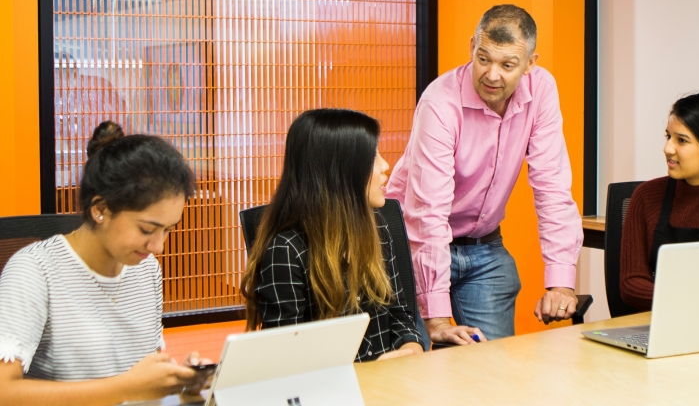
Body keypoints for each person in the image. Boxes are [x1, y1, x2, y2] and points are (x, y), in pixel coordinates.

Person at [386, 4, 582, 347]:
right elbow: (427, 214)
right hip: (413, 243)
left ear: (530, 64)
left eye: (508, 65)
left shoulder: (542, 90)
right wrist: (437, 319)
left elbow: (552, 186)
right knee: (418, 370)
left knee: (494, 368)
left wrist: (561, 281)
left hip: (483, 247)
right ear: (472, 47)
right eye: (483, 58)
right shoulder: (439, 103)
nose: (492, 75)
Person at [0, 121, 209, 405]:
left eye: (168, 229)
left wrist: (177, 379)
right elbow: (4, 391)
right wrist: (125, 388)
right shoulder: (34, 271)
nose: (158, 247)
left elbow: (144, 371)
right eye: (147, 230)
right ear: (100, 209)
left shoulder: (145, 269)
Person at [241, 108, 424, 361]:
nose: (385, 166)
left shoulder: (377, 227)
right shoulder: (286, 250)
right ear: (340, 172)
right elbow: (284, 360)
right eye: (373, 156)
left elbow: (400, 315)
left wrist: (410, 349)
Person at [620, 93, 699, 311]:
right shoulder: (646, 196)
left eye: (681, 140)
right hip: (658, 326)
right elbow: (631, 284)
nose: (668, 149)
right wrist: (694, 299)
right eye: (668, 137)